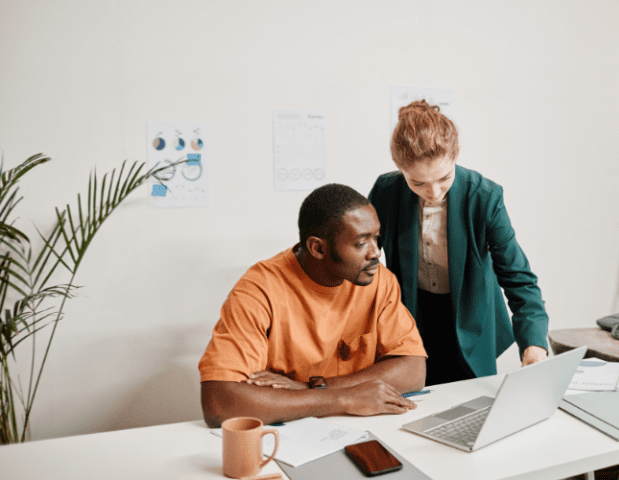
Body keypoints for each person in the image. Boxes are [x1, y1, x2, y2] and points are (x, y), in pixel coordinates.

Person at [199, 183, 427, 427]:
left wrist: (310, 387)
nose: (375, 253)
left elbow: (413, 370)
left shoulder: (379, 280)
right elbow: (218, 404)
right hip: (287, 437)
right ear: (318, 248)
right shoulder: (259, 289)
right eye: (361, 243)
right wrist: (342, 399)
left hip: (360, 427)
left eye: (376, 238)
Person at [369, 100, 549, 386]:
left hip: (470, 315)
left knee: (472, 403)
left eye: (444, 178)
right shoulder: (386, 191)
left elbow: (519, 278)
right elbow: (363, 260)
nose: (433, 192)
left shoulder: (484, 197)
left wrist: (534, 345)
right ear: (398, 167)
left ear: (457, 155)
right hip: (411, 316)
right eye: (418, 183)